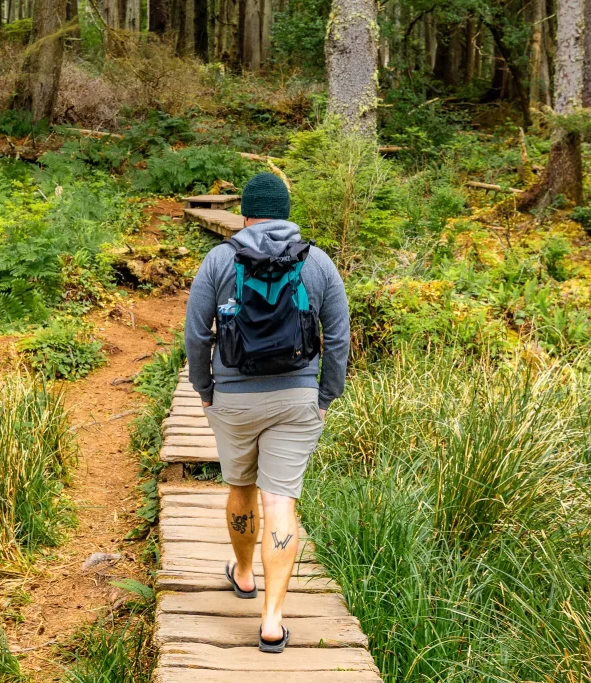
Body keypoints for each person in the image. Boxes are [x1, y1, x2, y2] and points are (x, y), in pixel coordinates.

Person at [184, 172, 350, 653]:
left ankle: (242, 573)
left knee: (240, 488)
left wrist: (205, 388)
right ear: (286, 211)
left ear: (245, 214)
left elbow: (197, 335)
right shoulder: (317, 261)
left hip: (233, 399)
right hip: (297, 398)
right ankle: (273, 620)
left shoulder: (219, 259)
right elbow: (337, 337)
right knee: (280, 502)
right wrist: (325, 397)